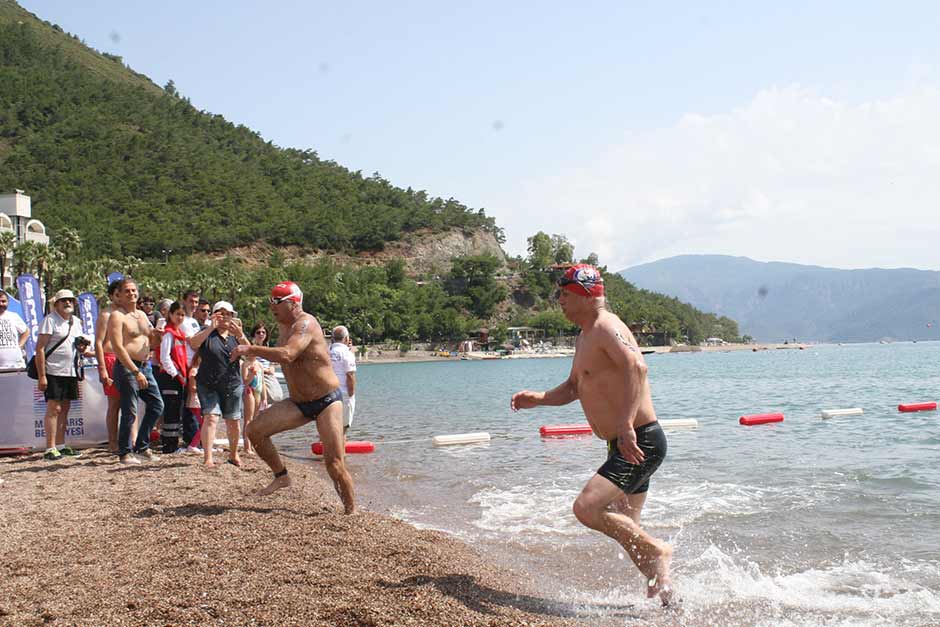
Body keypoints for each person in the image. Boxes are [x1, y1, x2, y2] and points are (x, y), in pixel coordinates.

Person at [509, 264, 673, 605]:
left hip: (637, 440)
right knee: (628, 528)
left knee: (586, 508)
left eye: (564, 295)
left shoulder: (605, 326)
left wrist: (626, 425)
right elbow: (574, 387)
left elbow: (637, 367)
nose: (559, 302)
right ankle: (669, 597)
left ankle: (660, 551)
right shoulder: (586, 335)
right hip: (624, 442)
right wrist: (537, 399)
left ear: (586, 294)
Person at [234, 281, 354, 513]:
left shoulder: (306, 323)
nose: (272, 306)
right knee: (254, 432)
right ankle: (282, 476)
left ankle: (351, 511)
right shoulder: (282, 326)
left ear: (293, 303)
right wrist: (245, 342)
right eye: (270, 301)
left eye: (277, 301)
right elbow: (275, 353)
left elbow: (288, 354)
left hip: (327, 401)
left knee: (334, 463)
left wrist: (251, 349)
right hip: (299, 403)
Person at [108, 278, 165, 465]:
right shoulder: (117, 316)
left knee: (157, 405)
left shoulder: (141, 315)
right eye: (127, 291)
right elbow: (117, 346)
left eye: (134, 290)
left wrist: (158, 337)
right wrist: (134, 371)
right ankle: (125, 452)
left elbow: (151, 341)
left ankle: (142, 445)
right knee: (129, 410)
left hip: (144, 365)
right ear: (120, 294)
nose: (131, 294)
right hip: (127, 367)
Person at [189, 300, 249, 467]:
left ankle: (234, 454)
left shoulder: (235, 336)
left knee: (233, 420)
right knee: (210, 417)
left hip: (232, 383)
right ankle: (208, 457)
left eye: (228, 314)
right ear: (214, 314)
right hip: (208, 383)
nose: (225, 317)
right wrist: (210, 328)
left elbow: (250, 353)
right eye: (221, 313)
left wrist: (240, 335)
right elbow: (193, 344)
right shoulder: (206, 332)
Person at [35, 289, 93, 460]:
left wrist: (82, 348)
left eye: (70, 300)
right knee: (54, 408)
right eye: (63, 300)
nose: (67, 303)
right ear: (56, 304)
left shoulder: (76, 321)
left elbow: (77, 345)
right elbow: (40, 349)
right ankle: (50, 447)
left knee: (65, 408)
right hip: (53, 371)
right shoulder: (49, 321)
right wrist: (42, 375)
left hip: (71, 371)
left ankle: (61, 445)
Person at [156, 302, 191, 453]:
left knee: (176, 411)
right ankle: (169, 446)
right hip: (170, 378)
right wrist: (175, 374)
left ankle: (173, 444)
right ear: (170, 314)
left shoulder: (179, 333)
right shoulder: (169, 333)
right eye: (177, 314)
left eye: (182, 315)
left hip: (179, 377)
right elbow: (165, 357)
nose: (180, 317)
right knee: (170, 411)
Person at [94, 281, 125, 453]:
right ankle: (112, 442)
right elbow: (98, 343)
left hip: (125, 358)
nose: (122, 297)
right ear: (112, 295)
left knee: (129, 403)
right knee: (114, 404)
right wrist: (103, 368)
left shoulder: (126, 313)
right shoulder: (106, 314)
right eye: (119, 294)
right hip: (110, 358)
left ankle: (127, 440)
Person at [329, 325, 357, 433]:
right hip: (343, 393)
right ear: (346, 338)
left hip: (328, 394)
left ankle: (325, 447)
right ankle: (340, 449)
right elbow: (350, 375)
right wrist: (351, 394)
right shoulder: (347, 354)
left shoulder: (328, 351)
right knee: (342, 428)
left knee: (330, 426)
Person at [0, 290, 29, 370]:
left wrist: (19, 345)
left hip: (16, 367)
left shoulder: (13, 316)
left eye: (3, 301)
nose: (1, 304)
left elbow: (26, 331)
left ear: (8, 302)